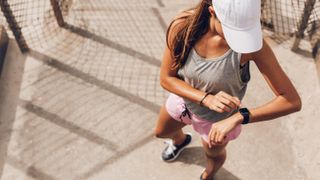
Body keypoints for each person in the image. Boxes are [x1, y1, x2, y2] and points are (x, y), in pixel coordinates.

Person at [154, 0, 302, 179]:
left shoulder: (253, 47)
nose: (243, 41)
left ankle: (209, 174)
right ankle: (180, 140)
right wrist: (206, 98)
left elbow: (291, 100)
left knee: (213, 155)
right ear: (212, 11)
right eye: (234, 31)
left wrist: (240, 116)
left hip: (218, 122)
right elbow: (166, 78)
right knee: (161, 132)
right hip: (184, 101)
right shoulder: (182, 26)